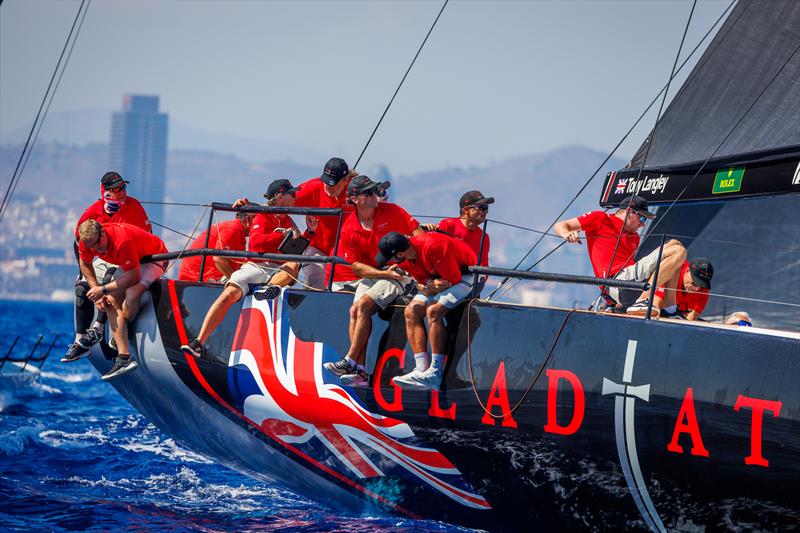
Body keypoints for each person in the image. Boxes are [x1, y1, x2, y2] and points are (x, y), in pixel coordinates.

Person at [181, 179, 314, 359]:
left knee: (293, 264)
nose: (295, 197)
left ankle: (268, 289)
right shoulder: (262, 215)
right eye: (292, 194)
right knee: (228, 293)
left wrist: (309, 233)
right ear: (281, 196)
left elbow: (296, 247)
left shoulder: (289, 220)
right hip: (258, 265)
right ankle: (198, 342)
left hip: (280, 268)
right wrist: (280, 236)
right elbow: (257, 243)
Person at [323, 175, 422, 387]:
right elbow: (357, 267)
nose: (374, 196)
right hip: (377, 273)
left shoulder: (393, 210)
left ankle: (349, 359)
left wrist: (416, 263)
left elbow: (419, 235)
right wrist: (383, 274)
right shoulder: (350, 227)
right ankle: (359, 370)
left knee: (365, 305)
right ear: (354, 199)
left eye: (374, 191)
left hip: (401, 270)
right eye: (368, 193)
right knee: (355, 309)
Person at [63, 172, 152, 363]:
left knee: (110, 280)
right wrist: (84, 275)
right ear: (105, 192)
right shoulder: (92, 212)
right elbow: (79, 244)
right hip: (102, 258)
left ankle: (98, 327)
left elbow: (148, 237)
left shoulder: (134, 206)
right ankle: (79, 342)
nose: (122, 192)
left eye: (123, 188)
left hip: (127, 258)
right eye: (116, 189)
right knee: (82, 288)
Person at [375, 231, 478, 390]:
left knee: (434, 311)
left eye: (391, 258)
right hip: (437, 276)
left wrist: (433, 284)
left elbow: (454, 277)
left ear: (401, 254)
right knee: (411, 311)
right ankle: (421, 370)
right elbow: (421, 278)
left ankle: (435, 373)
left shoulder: (432, 246)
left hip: (464, 275)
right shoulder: (406, 256)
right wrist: (427, 283)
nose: (390, 263)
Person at [553, 195, 686, 317]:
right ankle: (643, 301)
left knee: (674, 244)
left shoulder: (634, 237)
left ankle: (671, 309)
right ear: (628, 212)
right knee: (678, 251)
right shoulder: (601, 218)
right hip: (615, 282)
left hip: (628, 285)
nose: (643, 224)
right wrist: (567, 234)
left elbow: (632, 270)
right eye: (642, 218)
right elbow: (561, 225)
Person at [76, 220, 168, 380]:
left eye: (98, 244)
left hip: (153, 259)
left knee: (132, 295)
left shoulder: (121, 240)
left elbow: (134, 277)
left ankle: (121, 333)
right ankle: (124, 358)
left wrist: (102, 289)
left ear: (102, 232)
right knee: (109, 300)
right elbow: (85, 263)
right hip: (130, 261)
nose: (97, 249)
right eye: (92, 247)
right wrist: (94, 289)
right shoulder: (88, 241)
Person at [293, 157, 357, 289]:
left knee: (347, 288)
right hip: (318, 247)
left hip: (347, 250)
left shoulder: (356, 189)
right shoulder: (312, 187)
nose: (328, 187)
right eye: (326, 181)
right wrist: (247, 207)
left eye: (332, 183)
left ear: (345, 181)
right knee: (317, 283)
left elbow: (377, 205)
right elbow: (281, 201)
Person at [177, 204, 256, 283]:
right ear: (248, 219)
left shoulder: (237, 231)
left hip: (203, 277)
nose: (260, 224)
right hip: (198, 279)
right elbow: (218, 259)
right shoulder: (233, 228)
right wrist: (238, 283)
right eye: (258, 220)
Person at [422, 189, 492, 274]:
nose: (486, 212)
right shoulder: (448, 225)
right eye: (482, 208)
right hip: (443, 277)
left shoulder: (484, 237)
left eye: (486, 208)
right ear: (466, 210)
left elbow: (483, 268)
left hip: (467, 280)